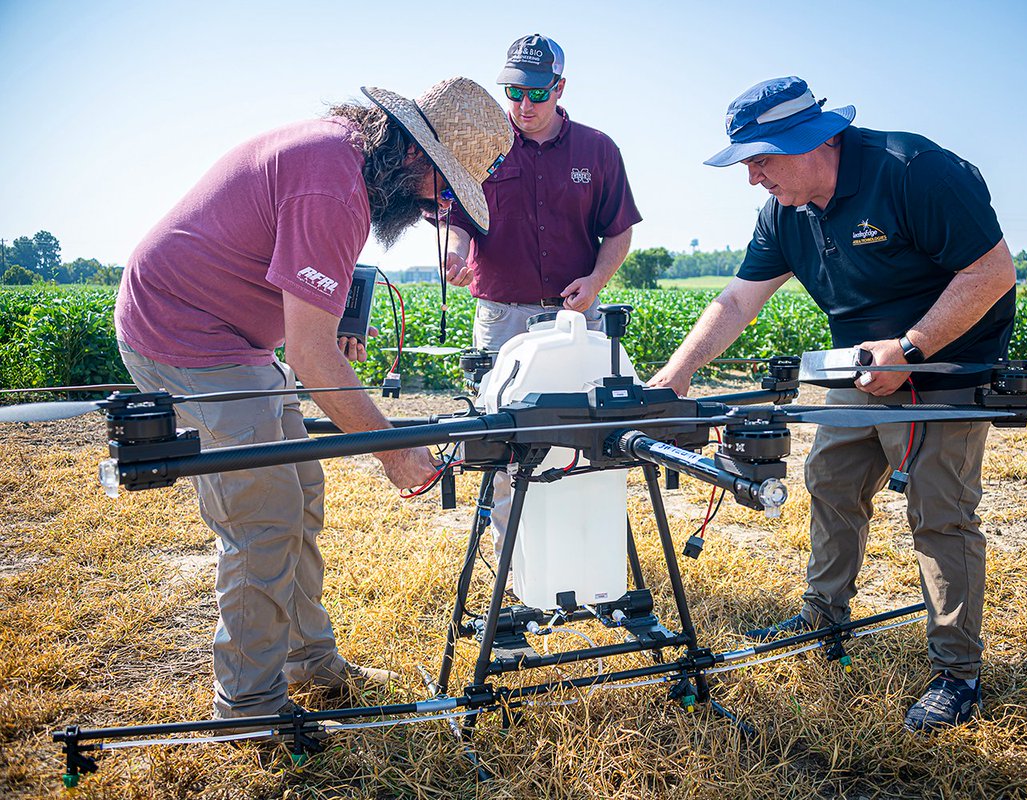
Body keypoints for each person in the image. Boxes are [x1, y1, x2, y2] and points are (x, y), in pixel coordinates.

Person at [114, 77, 513, 723]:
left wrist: (332, 315)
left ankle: (312, 665)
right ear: (415, 155)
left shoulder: (344, 159)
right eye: (442, 191)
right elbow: (310, 354)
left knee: (299, 490)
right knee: (263, 519)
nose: (437, 209)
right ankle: (248, 709)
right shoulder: (331, 181)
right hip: (186, 337)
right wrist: (394, 451)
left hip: (238, 342)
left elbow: (301, 287)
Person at [649, 76, 1016, 732]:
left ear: (810, 141)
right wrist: (671, 381)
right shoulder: (785, 213)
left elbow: (991, 272)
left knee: (939, 513)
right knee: (831, 480)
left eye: (761, 159)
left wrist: (912, 346)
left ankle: (958, 675)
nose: (753, 177)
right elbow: (735, 301)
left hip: (945, 364)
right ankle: (824, 617)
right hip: (861, 366)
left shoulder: (913, 172)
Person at [440, 34, 642, 552]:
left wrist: (595, 282)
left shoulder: (597, 149)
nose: (523, 106)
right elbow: (458, 221)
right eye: (513, 93)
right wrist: (457, 253)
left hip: (575, 319)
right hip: (502, 317)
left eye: (535, 94)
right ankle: (517, 558)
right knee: (507, 441)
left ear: (560, 88)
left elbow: (619, 230)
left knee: (591, 435)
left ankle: (585, 551)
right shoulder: (483, 147)